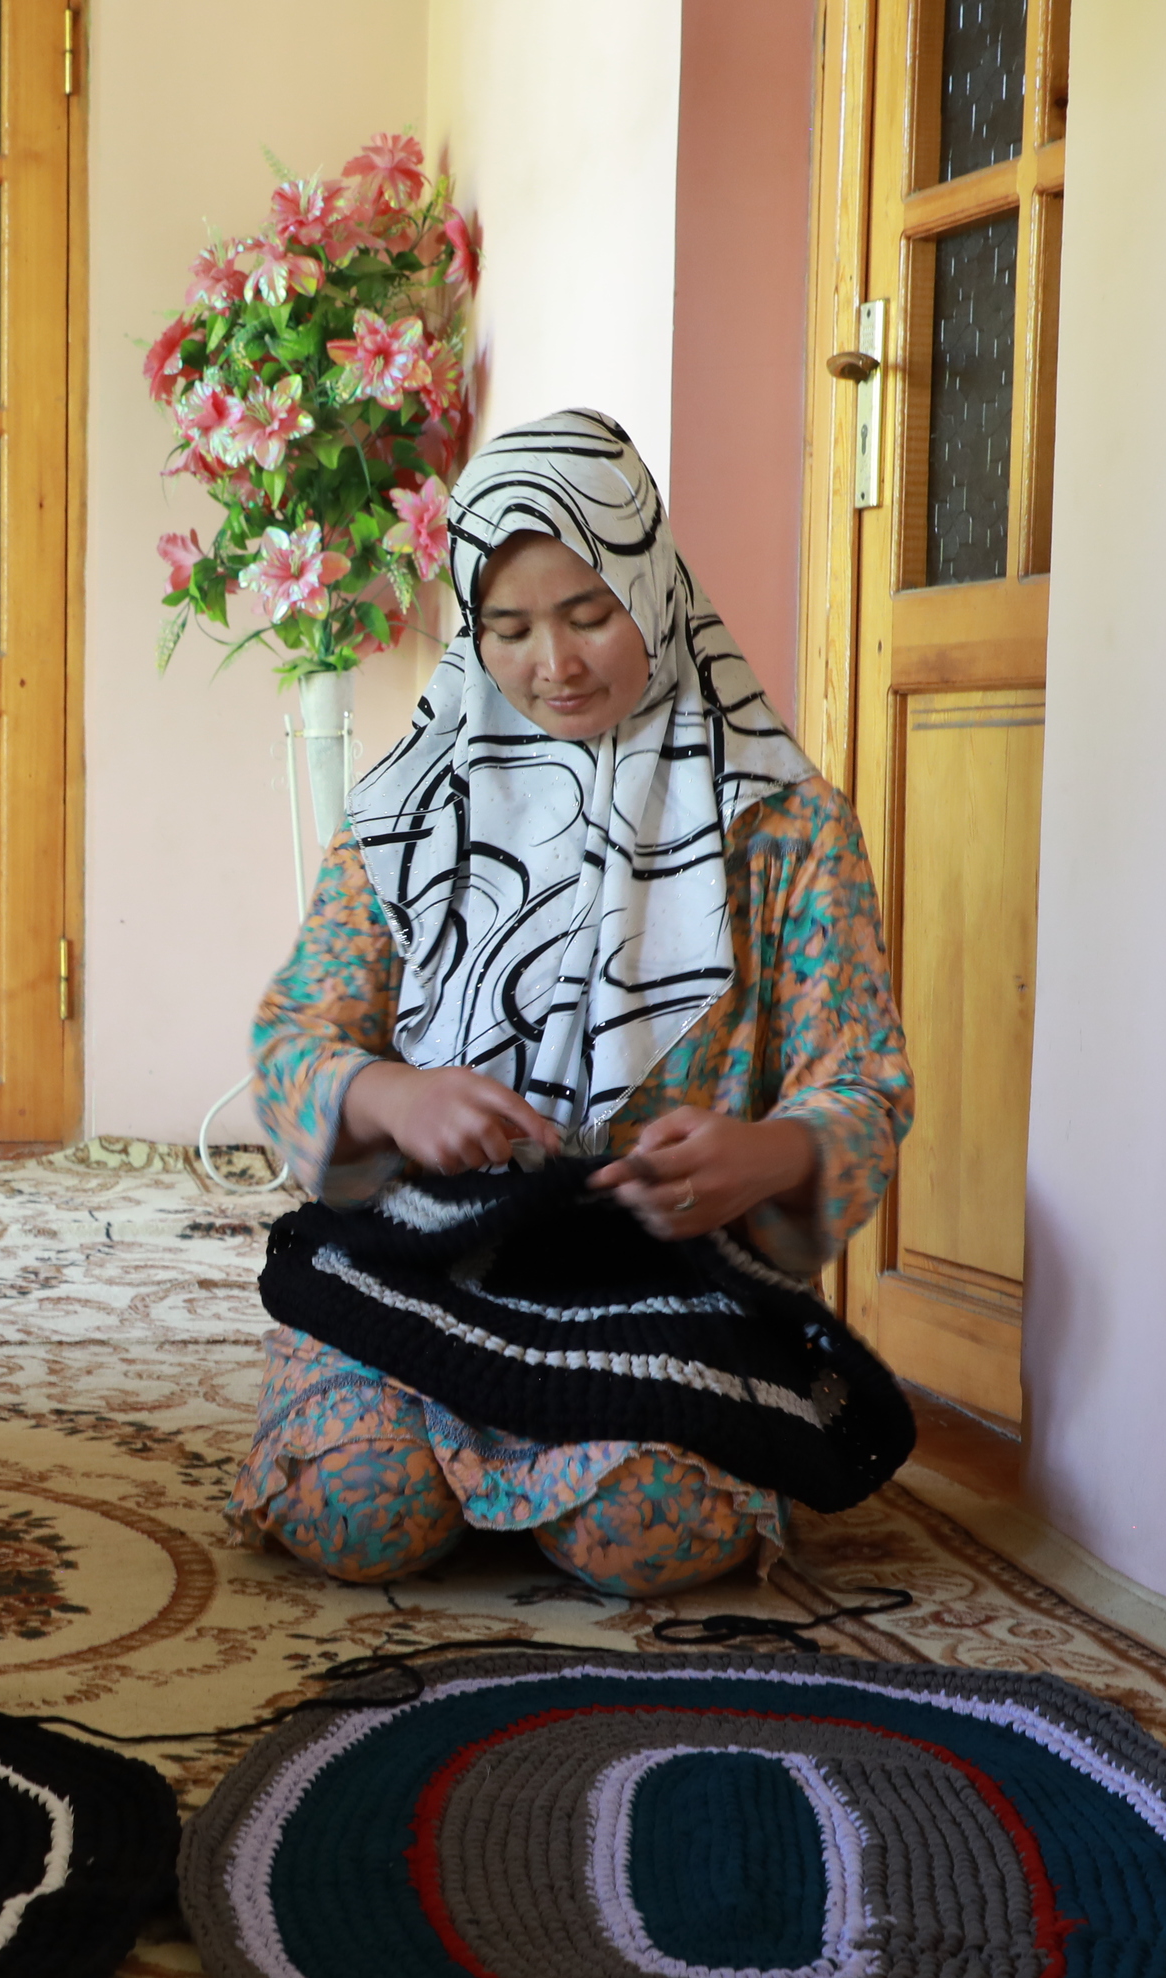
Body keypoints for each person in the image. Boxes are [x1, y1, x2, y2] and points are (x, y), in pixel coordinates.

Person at [237, 408, 912, 1597]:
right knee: (357, 1508)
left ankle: (564, 1475)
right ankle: (459, 1459)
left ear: (650, 585)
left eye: (587, 613)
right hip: (428, 1266)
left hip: (668, 1284)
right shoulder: (407, 813)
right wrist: (389, 1095)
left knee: (646, 1527)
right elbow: (296, 1033)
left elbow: (863, 1084)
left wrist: (765, 1154)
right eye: (508, 627)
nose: (554, 663)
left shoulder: (785, 822)